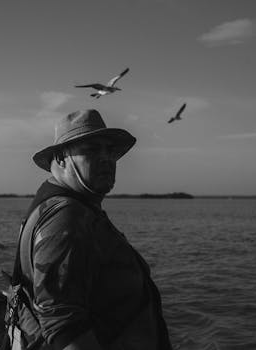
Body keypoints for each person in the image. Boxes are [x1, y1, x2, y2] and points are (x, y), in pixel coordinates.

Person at [12, 109, 172, 350]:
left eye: (110, 150)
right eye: (92, 149)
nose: (106, 158)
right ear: (61, 158)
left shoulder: (71, 209)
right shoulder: (66, 218)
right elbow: (63, 326)